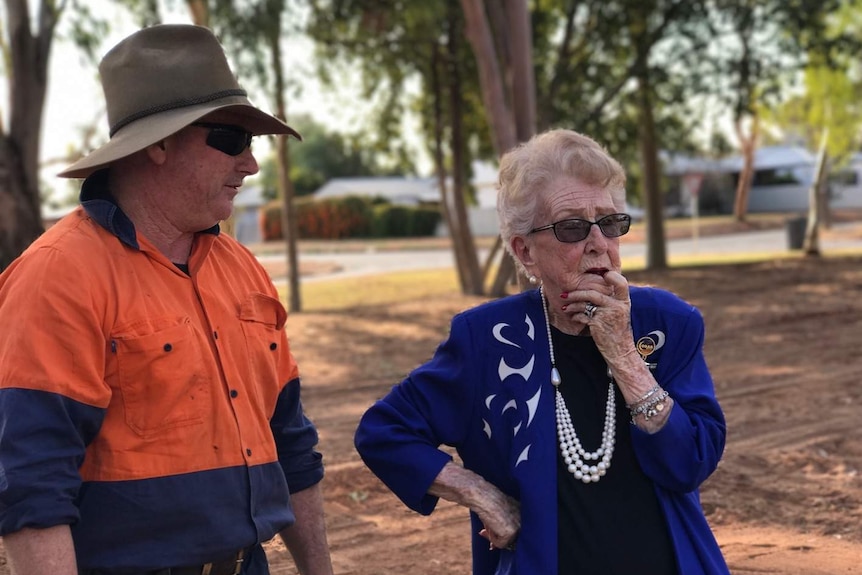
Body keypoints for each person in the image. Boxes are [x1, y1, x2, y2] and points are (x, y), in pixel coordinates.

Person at [0, 25, 333, 575]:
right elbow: (30, 491)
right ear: (157, 143)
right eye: (232, 140)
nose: (250, 164)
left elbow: (290, 445)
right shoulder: (57, 276)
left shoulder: (242, 269)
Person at [354, 129, 730, 574]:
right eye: (572, 227)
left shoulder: (667, 323)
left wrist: (626, 357)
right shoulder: (486, 339)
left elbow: (691, 463)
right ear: (525, 251)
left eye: (610, 223)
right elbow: (384, 431)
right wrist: (478, 494)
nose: (598, 244)